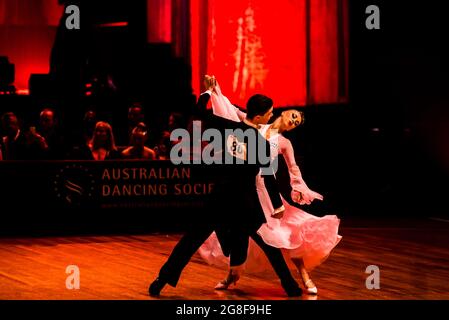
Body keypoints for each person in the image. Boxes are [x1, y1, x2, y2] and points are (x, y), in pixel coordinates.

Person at [148, 76, 302, 297]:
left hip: (219, 197)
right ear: (258, 117)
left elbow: (199, 113)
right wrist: (277, 205)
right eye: (269, 113)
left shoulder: (228, 128)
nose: (271, 116)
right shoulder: (260, 142)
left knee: (191, 240)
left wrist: (207, 94)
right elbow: (267, 174)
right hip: (245, 202)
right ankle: (290, 285)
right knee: (269, 245)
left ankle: (161, 280)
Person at [198, 76, 342, 294]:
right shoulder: (255, 123)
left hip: (268, 192)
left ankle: (303, 276)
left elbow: (294, 170)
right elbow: (230, 108)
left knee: (286, 237)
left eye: (296, 123)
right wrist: (215, 89)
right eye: (293, 116)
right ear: (283, 113)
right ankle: (232, 276)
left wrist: (300, 188)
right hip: (248, 189)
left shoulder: (284, 143)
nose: (293, 121)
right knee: (243, 234)